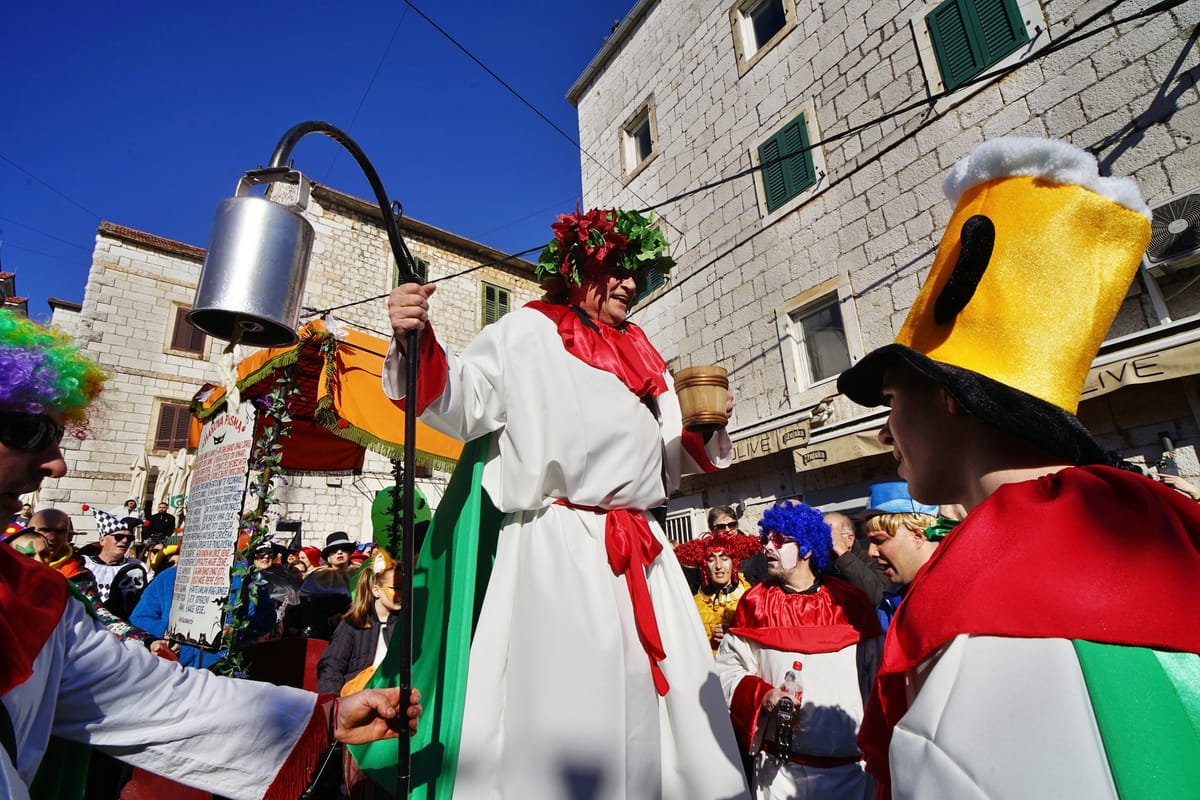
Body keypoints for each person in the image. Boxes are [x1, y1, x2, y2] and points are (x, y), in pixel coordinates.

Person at [836, 138, 1200, 797]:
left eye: (890, 399)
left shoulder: (978, 625)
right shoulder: (1169, 535)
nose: (885, 431)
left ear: (952, 395)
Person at [381, 207, 748, 798]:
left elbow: (672, 458)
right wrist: (413, 339)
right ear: (581, 267)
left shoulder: (644, 352)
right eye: (619, 270)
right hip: (559, 553)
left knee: (661, 724)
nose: (633, 284)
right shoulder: (523, 332)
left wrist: (706, 427)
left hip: (644, 557)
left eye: (639, 275)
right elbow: (461, 401)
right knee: (571, 718)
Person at [0, 309, 421, 800]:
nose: (56, 464)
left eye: (57, 437)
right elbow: (149, 632)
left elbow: (158, 698)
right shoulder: (137, 584)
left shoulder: (35, 603)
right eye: (31, 433)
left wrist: (325, 716)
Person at [716, 501, 882, 799]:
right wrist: (761, 694)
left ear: (806, 549)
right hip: (778, 774)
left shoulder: (850, 602)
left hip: (850, 774)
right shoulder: (754, 603)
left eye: (779, 540)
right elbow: (727, 670)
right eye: (766, 538)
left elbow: (877, 678)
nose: (767, 547)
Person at [673, 530, 760, 653]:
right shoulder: (693, 604)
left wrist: (736, 635)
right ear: (705, 567)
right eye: (711, 560)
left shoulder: (752, 598)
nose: (718, 566)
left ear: (733, 563)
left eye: (724, 558)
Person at [81, 505, 150, 619]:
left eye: (129, 538)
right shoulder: (83, 563)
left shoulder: (136, 567)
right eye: (118, 537)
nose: (125, 541)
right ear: (102, 540)